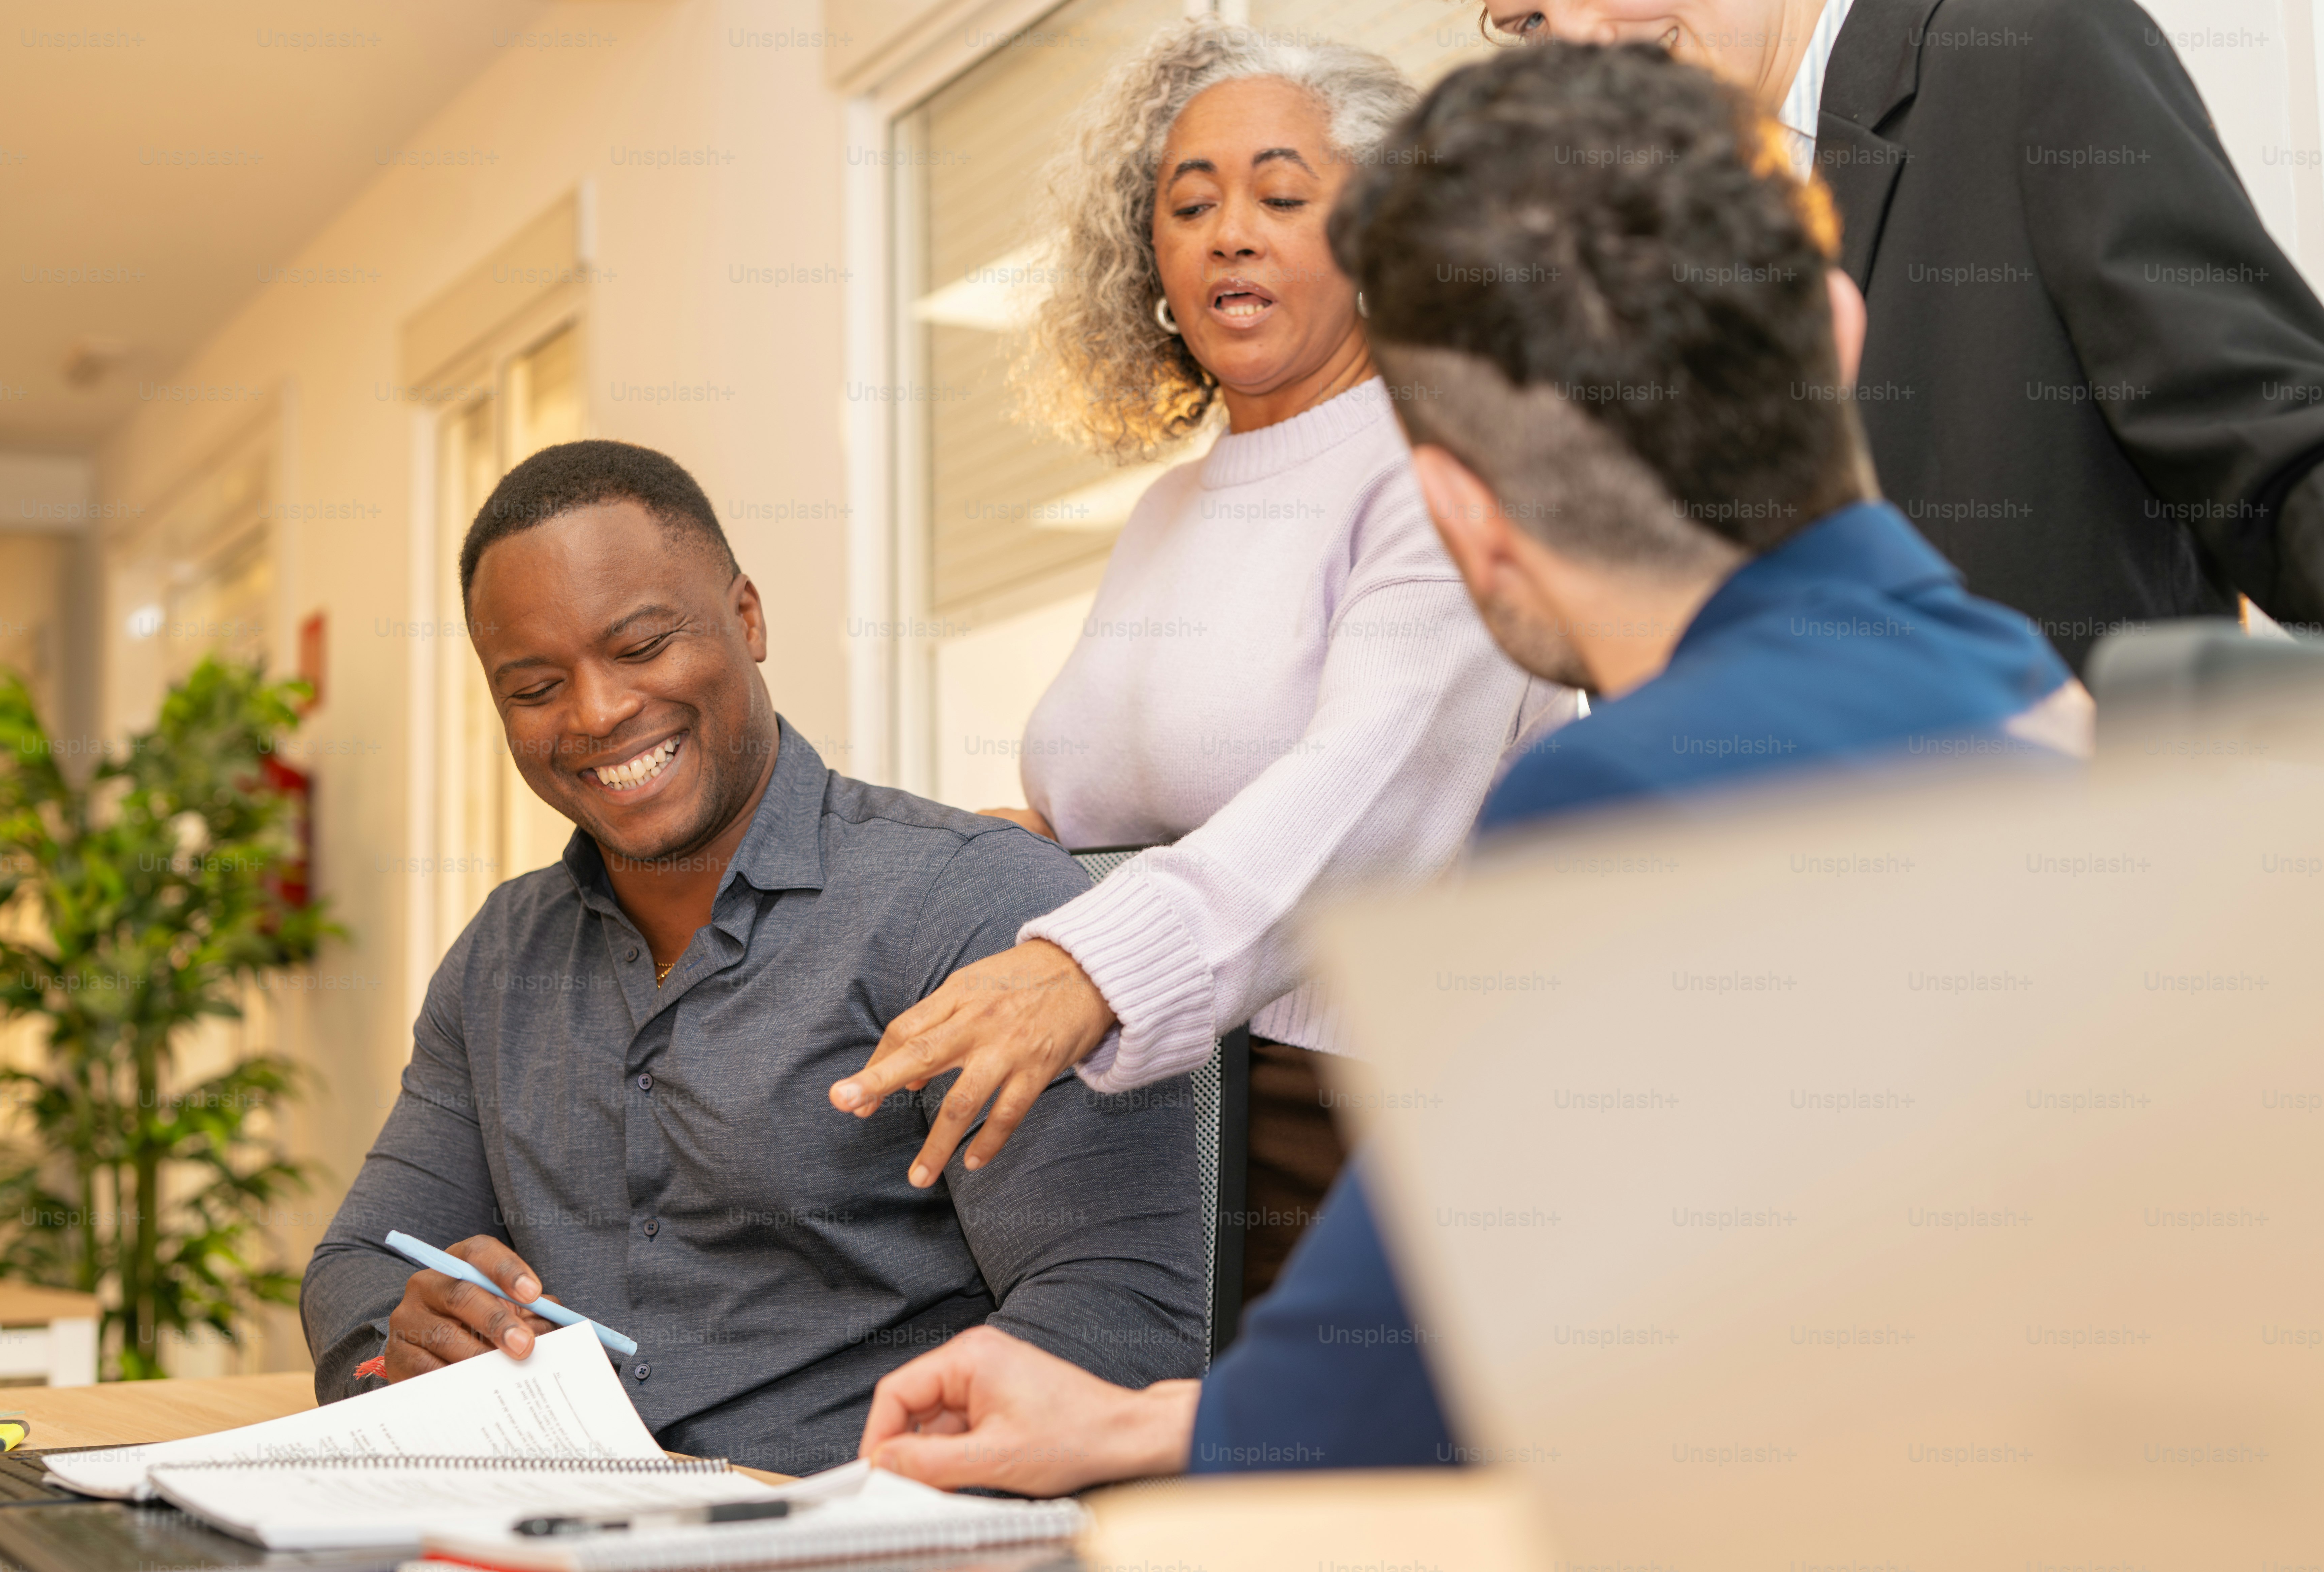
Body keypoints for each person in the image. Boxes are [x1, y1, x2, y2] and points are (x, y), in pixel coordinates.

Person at [853, 39, 2084, 1494]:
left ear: (1458, 514)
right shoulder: (2037, 697)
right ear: (1836, 332)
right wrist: (1137, 1420)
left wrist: (1131, 1433)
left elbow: (1368, 1396)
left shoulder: (1621, 810)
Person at [827, 20, 1564, 1300]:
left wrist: (1085, 963)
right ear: (1149, 263)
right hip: (1148, 1122)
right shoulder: (1169, 514)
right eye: (1189, 203)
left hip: (1348, 1127)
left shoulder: (1447, 464)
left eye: (1283, 194)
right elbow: (1103, 804)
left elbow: (1363, 802)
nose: (1230, 230)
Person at [301, 440, 1203, 1475]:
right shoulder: (500, 957)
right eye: (537, 686)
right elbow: (357, 1265)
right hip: (561, 1522)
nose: (596, 713)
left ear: (747, 617)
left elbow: (1123, 1309)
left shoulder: (971, 904)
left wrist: (893, 1487)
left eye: (640, 646)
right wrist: (409, 1342)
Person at [1478, 0, 2324, 672]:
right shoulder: (1643, 224)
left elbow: (2273, 451)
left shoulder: (2026, 50)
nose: (1579, 41)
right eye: (1530, 23)